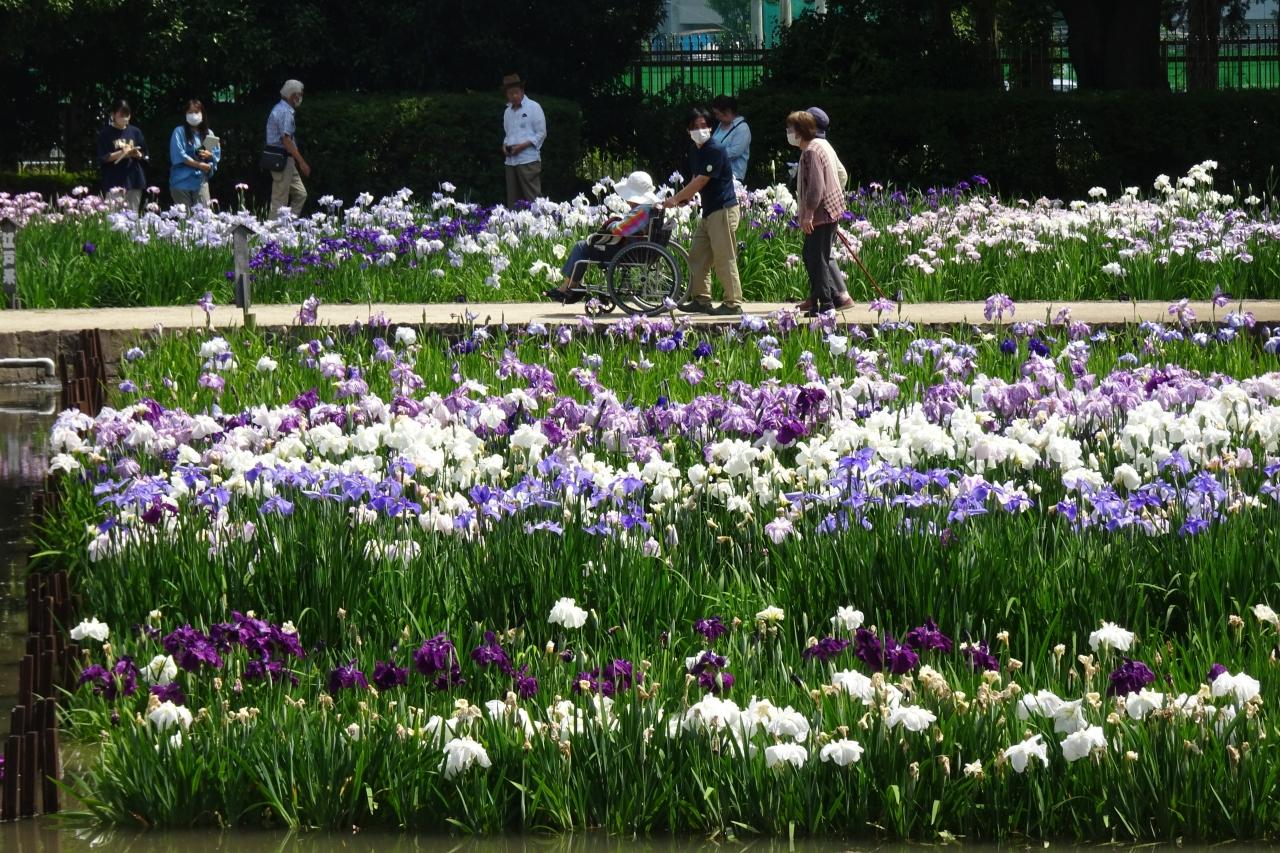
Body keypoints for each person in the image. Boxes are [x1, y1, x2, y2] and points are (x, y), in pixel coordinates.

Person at [663, 108, 743, 316]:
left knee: (724, 257)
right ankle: (701, 299)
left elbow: (702, 180)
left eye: (704, 126)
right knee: (697, 256)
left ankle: (733, 303)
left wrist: (675, 198)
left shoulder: (715, 149)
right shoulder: (694, 150)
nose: (700, 130)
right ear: (688, 130)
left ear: (710, 127)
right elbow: (694, 178)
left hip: (723, 210)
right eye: (695, 127)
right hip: (709, 211)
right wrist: (685, 198)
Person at [544, 171, 661, 305]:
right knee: (585, 245)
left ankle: (567, 288)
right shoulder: (649, 208)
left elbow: (619, 230)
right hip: (637, 250)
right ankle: (570, 286)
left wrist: (611, 223)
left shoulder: (642, 211)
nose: (627, 200)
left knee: (581, 247)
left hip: (629, 252)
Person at [789, 110, 846, 316]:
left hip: (822, 214)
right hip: (829, 210)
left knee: (816, 257)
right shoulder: (817, 147)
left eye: (791, 129)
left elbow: (816, 187)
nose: (789, 133)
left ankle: (826, 303)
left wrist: (808, 214)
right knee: (812, 255)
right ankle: (821, 299)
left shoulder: (811, 151)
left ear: (800, 131)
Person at [265, 80, 309, 218]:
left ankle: (288, 225)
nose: (300, 98)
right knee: (279, 201)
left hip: (286, 160)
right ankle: (273, 230)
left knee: (301, 194)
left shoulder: (280, 108)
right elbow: (286, 140)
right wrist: (302, 162)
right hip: (282, 159)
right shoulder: (285, 112)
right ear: (293, 95)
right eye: (299, 94)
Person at [502, 74, 546, 208]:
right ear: (506, 94)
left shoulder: (534, 107)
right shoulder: (507, 112)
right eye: (510, 93)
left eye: (516, 92)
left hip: (528, 160)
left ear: (522, 91)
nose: (514, 96)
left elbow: (541, 133)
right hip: (511, 161)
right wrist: (504, 146)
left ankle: (540, 220)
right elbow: (508, 135)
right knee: (513, 202)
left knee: (533, 199)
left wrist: (523, 146)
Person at [96, 99, 147, 213]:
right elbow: (103, 157)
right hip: (114, 181)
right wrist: (121, 153)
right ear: (113, 115)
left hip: (134, 180)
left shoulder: (136, 132)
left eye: (127, 115)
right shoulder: (105, 133)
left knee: (132, 216)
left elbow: (144, 153)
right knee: (114, 216)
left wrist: (137, 154)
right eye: (121, 115)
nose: (125, 118)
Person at [168, 99, 220, 209]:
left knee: (204, 215)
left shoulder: (209, 133)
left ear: (202, 114)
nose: (193, 115)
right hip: (181, 182)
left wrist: (209, 156)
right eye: (190, 112)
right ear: (185, 115)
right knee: (184, 217)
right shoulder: (179, 131)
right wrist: (200, 165)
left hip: (200, 182)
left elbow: (215, 157)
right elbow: (180, 155)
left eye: (196, 112)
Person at [711, 94, 751, 184]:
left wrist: (712, 154)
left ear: (728, 111)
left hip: (733, 177)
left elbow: (734, 152)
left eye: (718, 114)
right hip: (716, 174)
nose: (716, 117)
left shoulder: (742, 128)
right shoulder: (721, 124)